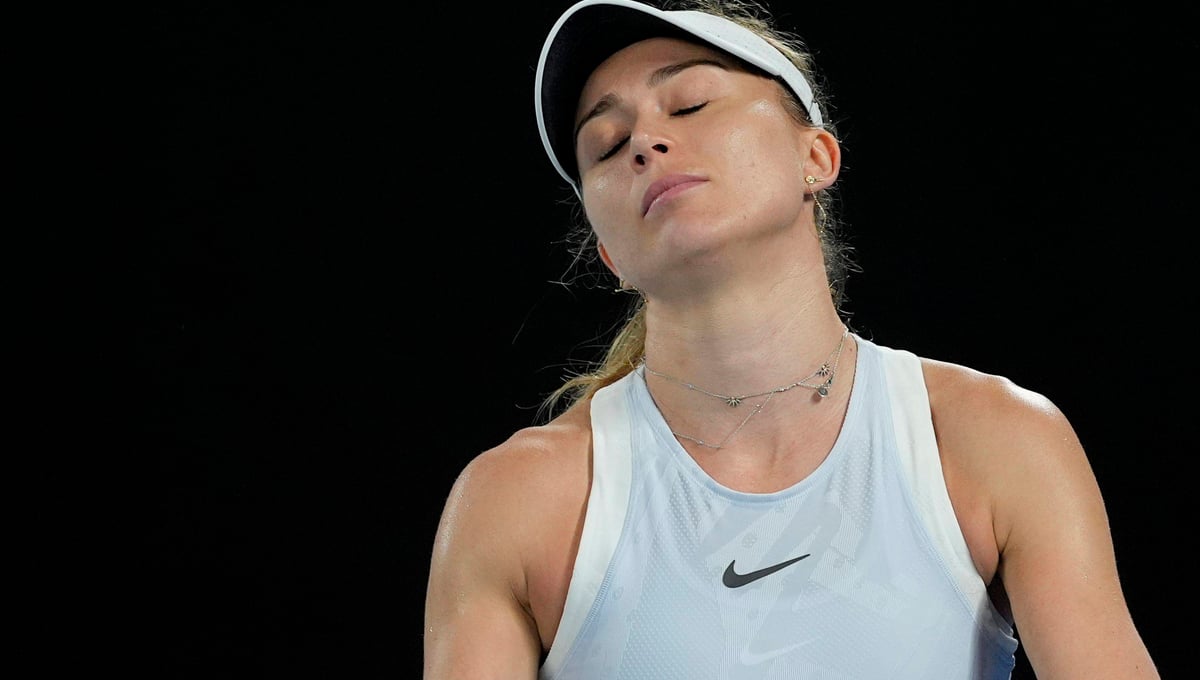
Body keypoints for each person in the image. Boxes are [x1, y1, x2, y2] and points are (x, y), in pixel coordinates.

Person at [423, 0, 1160, 677]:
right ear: (609, 254)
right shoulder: (517, 500)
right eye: (608, 146)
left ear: (817, 157)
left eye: (691, 103)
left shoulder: (992, 438)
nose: (645, 141)